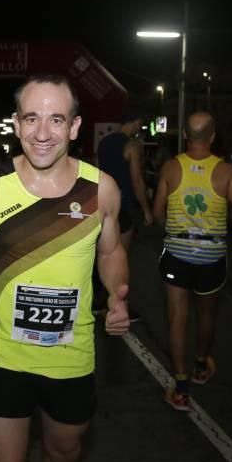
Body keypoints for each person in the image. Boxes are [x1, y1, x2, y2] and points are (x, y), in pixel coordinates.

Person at [0, 74, 131, 462]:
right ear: (16, 124)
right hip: (3, 355)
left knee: (64, 455)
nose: (43, 133)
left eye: (57, 120)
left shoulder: (101, 189)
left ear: (75, 127)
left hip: (71, 356)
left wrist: (117, 295)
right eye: (31, 119)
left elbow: (111, 250)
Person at [153, 112, 232, 411]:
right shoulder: (226, 171)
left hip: (177, 254)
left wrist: (177, 227)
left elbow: (157, 213)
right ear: (213, 137)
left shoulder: (170, 167)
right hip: (212, 257)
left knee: (177, 319)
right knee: (207, 315)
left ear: (186, 136)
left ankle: (180, 388)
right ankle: (201, 366)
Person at [95, 110, 153, 322]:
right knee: (121, 260)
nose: (140, 128)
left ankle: (100, 303)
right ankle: (118, 308)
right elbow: (137, 181)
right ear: (135, 121)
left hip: (104, 206)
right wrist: (147, 210)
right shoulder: (133, 146)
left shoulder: (103, 143)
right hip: (124, 207)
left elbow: (98, 172)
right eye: (140, 124)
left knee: (104, 255)